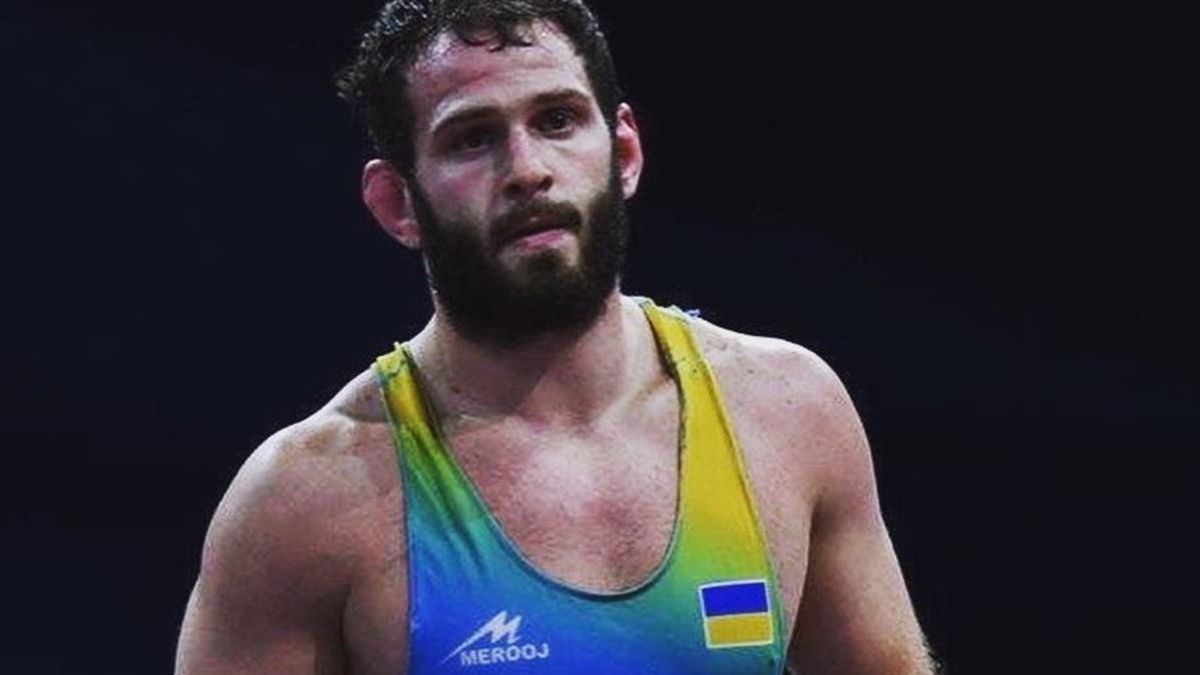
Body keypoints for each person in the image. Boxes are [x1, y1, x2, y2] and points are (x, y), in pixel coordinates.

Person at [175, 1, 937, 673]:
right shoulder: (304, 501)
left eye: (558, 120)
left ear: (624, 152)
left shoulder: (787, 413)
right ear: (397, 203)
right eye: (473, 139)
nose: (527, 169)